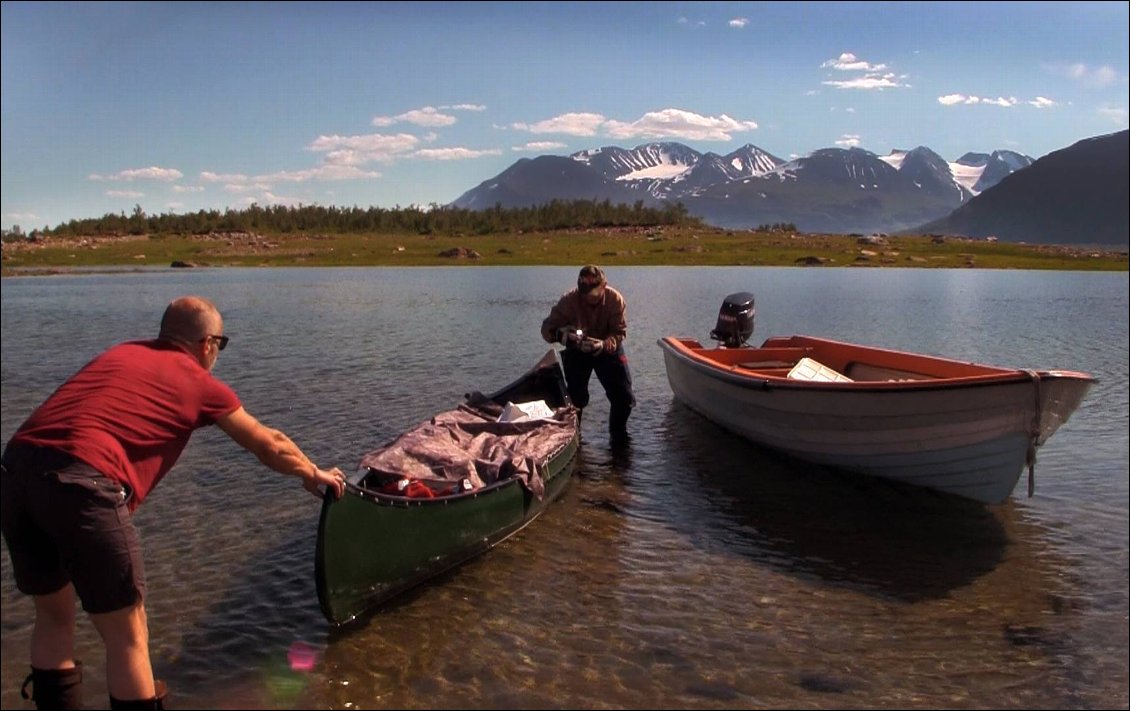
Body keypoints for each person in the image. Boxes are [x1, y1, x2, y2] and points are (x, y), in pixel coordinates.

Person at [0, 295, 347, 711]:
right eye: (221, 344)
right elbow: (268, 443)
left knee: (54, 616)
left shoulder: (123, 352)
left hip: (15, 474)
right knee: (128, 637)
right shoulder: (198, 381)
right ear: (207, 343)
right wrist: (313, 472)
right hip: (84, 484)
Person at [540, 265, 635, 441]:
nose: (588, 298)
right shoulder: (569, 301)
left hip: (607, 349)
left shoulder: (616, 300)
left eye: (593, 293)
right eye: (584, 293)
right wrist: (564, 337)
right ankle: (573, 438)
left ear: (604, 286)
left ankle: (618, 436)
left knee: (624, 398)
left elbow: (620, 332)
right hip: (577, 350)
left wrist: (605, 344)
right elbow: (546, 329)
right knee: (575, 399)